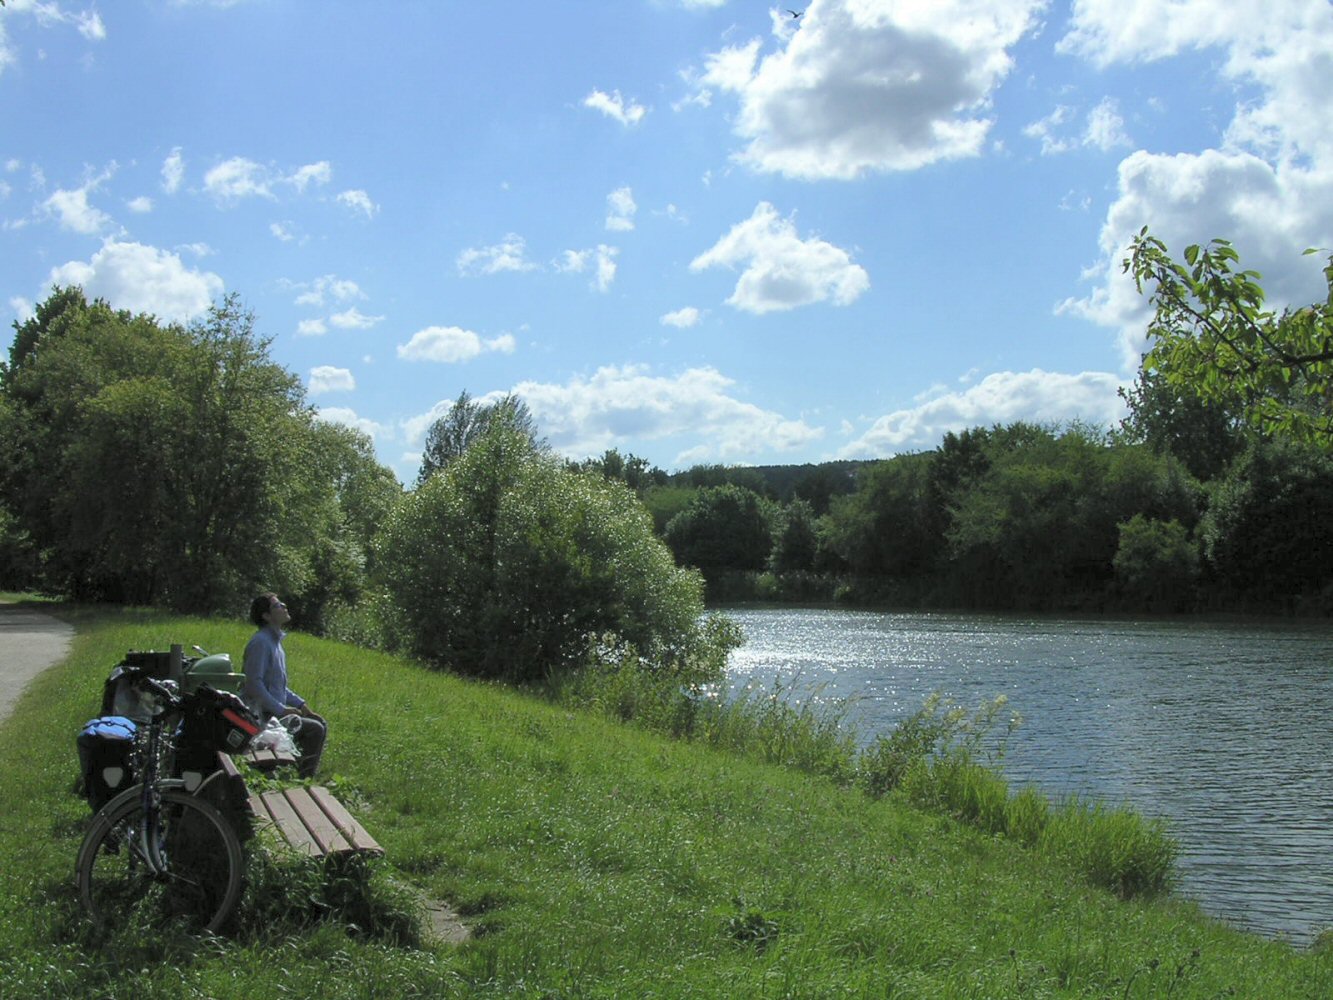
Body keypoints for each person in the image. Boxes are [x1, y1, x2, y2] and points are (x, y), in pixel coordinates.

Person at [242, 593, 327, 778]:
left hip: (273, 713)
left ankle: (301, 775)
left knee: (318, 722)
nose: (284, 606)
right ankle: (303, 781)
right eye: (278, 605)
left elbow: (277, 686)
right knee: (315, 729)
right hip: (262, 717)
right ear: (266, 616)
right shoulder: (261, 643)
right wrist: (281, 710)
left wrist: (301, 706)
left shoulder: (274, 642)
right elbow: (253, 685)